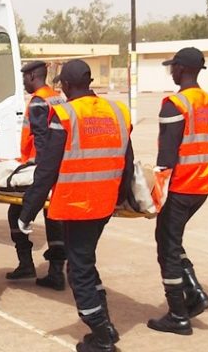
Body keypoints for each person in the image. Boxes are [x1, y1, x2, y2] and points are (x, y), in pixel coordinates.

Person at [18, 59, 133, 352]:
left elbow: (47, 169)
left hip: (77, 204)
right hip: (105, 203)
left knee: (78, 271)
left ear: (66, 86)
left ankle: (103, 336)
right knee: (86, 261)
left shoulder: (66, 114)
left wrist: (27, 212)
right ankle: (103, 322)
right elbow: (127, 160)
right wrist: (121, 197)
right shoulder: (117, 111)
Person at [147, 47, 208, 335]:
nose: (171, 72)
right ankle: (195, 295)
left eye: (172, 67)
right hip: (201, 188)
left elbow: (167, 158)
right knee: (171, 240)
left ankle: (178, 314)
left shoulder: (176, 104)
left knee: (167, 249)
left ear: (182, 69)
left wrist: (154, 195)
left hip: (180, 187)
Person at [5, 61, 67, 291]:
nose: (23, 82)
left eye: (24, 78)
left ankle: (26, 263)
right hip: (58, 167)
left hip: (39, 169)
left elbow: (41, 141)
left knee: (16, 213)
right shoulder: (58, 97)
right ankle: (56, 272)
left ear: (32, 76)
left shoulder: (39, 102)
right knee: (54, 220)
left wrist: (41, 175)